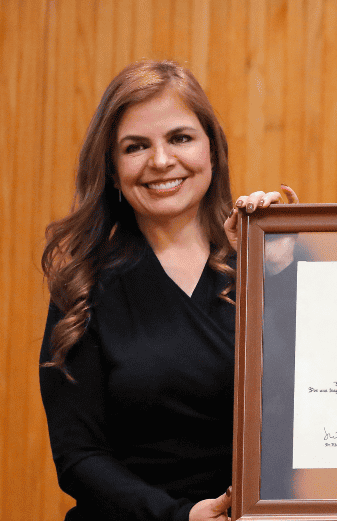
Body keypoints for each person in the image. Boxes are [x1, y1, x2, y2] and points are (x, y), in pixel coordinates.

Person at [39, 60, 295, 521]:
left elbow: (313, 407)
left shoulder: (272, 264)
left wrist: (281, 272)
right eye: (136, 146)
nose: (161, 161)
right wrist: (180, 516)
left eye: (180, 138)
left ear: (212, 152)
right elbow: (78, 457)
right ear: (113, 171)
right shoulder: (80, 289)